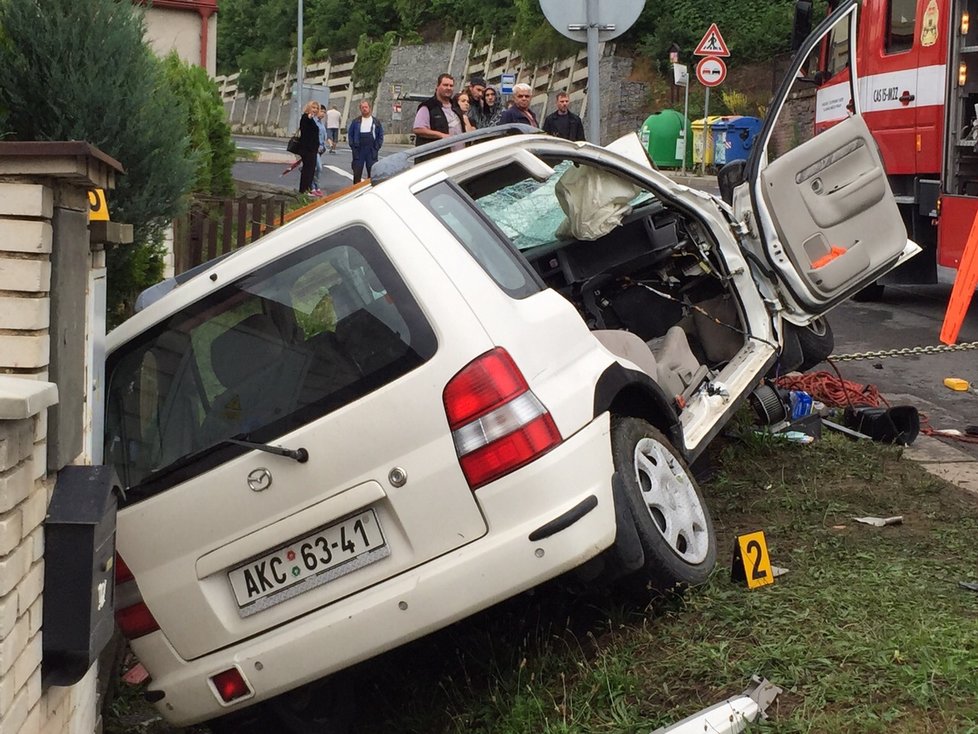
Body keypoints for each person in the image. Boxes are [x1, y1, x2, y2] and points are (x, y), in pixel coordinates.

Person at [412, 74, 464, 148]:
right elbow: (418, 129)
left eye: (451, 86)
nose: (449, 88)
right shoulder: (428, 107)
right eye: (445, 85)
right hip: (437, 156)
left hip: (458, 156)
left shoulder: (456, 106)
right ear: (437, 86)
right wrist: (441, 135)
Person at [347, 99, 384, 184]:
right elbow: (350, 134)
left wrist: (377, 147)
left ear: (370, 108)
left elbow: (380, 135)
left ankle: (370, 191)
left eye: (366, 107)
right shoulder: (356, 122)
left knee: (372, 173)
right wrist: (353, 146)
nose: (364, 109)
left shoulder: (376, 122)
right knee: (357, 172)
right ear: (360, 109)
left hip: (371, 150)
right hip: (358, 150)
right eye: (362, 107)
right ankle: (356, 192)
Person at [297, 100, 321, 194]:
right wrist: (310, 119)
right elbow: (306, 133)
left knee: (310, 170)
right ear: (309, 108)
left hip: (312, 149)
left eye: (317, 108)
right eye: (313, 107)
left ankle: (307, 189)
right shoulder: (306, 117)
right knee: (308, 170)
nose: (315, 110)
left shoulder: (312, 119)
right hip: (308, 149)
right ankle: (304, 190)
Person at [311, 105, 327, 196]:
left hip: (320, 149)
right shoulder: (313, 122)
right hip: (314, 149)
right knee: (318, 168)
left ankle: (315, 187)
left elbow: (323, 136)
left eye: (324, 112)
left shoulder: (321, 123)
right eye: (322, 111)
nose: (323, 114)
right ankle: (314, 187)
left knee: (316, 168)